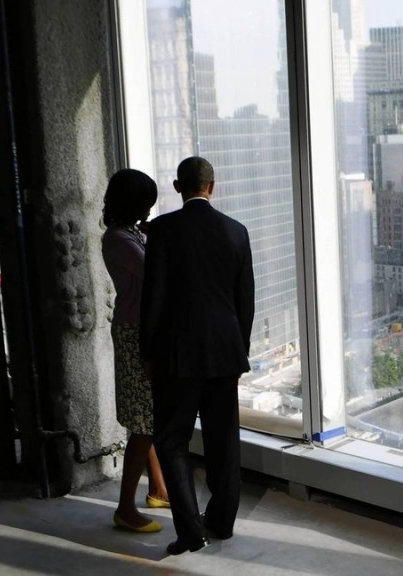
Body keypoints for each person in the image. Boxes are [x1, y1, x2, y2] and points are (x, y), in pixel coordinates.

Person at [140, 156, 255, 555]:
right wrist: (241, 352)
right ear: (212, 186)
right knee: (225, 442)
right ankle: (222, 521)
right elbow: (246, 304)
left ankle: (190, 530)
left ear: (177, 187)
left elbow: (152, 298)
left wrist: (147, 352)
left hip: (177, 355)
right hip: (225, 353)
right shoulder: (236, 232)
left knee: (172, 440)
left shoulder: (162, 231)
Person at [101, 168, 171, 533]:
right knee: (144, 423)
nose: (148, 210)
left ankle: (158, 489)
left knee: (149, 417)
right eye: (145, 203)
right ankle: (125, 508)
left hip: (140, 330)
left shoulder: (130, 234)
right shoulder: (118, 239)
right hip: (134, 334)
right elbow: (155, 272)